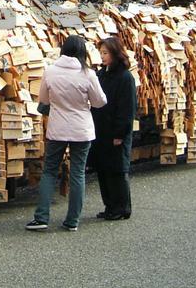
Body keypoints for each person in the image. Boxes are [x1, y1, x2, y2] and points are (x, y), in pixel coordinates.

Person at [25, 35, 106, 232]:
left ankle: (41, 217)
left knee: (50, 171)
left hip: (57, 127)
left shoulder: (50, 71)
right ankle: (72, 220)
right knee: (78, 172)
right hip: (82, 129)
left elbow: (43, 99)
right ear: (82, 52)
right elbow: (100, 102)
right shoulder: (88, 74)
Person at [90, 36, 138, 221]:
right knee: (103, 169)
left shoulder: (125, 77)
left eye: (106, 53)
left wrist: (120, 132)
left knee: (117, 170)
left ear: (115, 54)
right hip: (100, 128)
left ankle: (122, 207)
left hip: (116, 129)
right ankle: (109, 205)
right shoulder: (101, 74)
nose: (102, 57)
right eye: (101, 53)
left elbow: (127, 108)